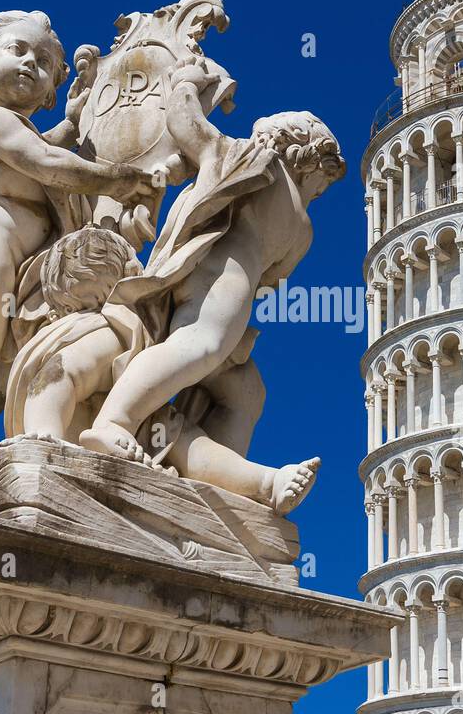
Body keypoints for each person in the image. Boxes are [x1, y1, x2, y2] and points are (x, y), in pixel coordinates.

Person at [0, 11, 159, 458]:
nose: (29, 64)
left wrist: (74, 123)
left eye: (42, 62)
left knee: (3, 356)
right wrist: (116, 179)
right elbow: (46, 164)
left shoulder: (19, 129)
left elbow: (44, 148)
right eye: (17, 50)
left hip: (29, 257)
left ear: (49, 92)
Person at [78, 65, 346, 467]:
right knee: (201, 343)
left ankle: (216, 479)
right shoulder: (256, 163)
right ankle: (114, 421)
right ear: (305, 156)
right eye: (323, 180)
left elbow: (272, 279)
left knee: (246, 392)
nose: (321, 191)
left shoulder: (301, 225)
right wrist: (186, 81)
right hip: (219, 272)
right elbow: (189, 127)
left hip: (237, 293)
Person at [4, 225, 319, 513]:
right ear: (130, 276)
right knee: (183, 439)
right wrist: (44, 438)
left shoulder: (117, 334)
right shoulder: (106, 329)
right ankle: (266, 481)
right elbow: (59, 374)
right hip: (71, 436)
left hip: (122, 431)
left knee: (181, 437)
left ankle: (267, 482)